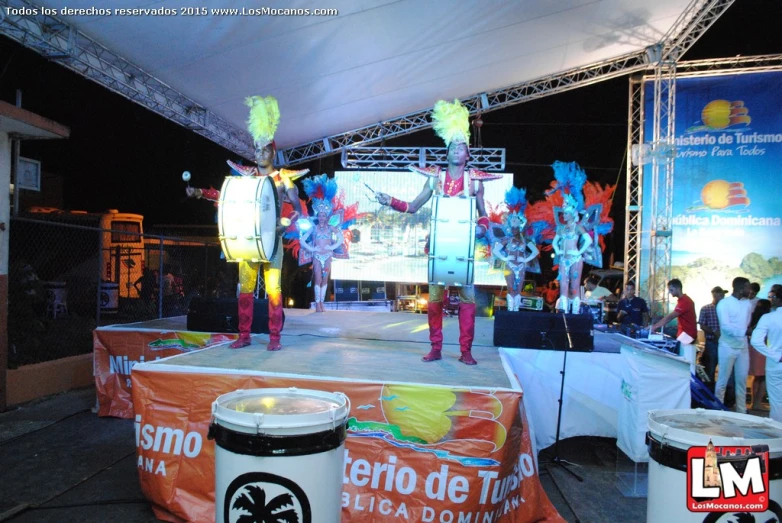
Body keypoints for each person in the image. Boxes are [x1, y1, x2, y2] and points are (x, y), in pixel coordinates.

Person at [376, 99, 502, 365]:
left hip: (464, 250)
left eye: (462, 147)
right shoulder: (434, 178)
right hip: (439, 248)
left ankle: (466, 351)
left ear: (468, 154)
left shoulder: (475, 181)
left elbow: (483, 213)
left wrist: (482, 227)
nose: (457, 150)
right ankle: (436, 347)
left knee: (467, 301)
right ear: (447, 152)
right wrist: (391, 201)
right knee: (434, 301)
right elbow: (412, 206)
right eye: (453, 146)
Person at [187, 95, 307, 350]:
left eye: (265, 149)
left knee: (274, 290)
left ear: (273, 151)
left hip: (273, 241)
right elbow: (229, 197)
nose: (259, 153)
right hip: (249, 239)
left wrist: (285, 223)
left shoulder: (283, 179)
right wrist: (201, 193)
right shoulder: (247, 176)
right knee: (245, 290)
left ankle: (274, 337)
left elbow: (298, 210)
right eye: (256, 149)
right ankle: (244, 335)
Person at [298, 174, 347, 313]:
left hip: (328, 255)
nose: (321, 217)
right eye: (319, 215)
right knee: (318, 278)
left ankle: (322, 303)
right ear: (318, 216)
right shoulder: (313, 228)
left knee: (325, 279)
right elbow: (302, 239)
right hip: (317, 256)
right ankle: (317, 303)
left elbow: (341, 239)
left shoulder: (332, 227)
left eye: (324, 215)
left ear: (327, 216)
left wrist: (330, 247)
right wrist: (311, 248)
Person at [491, 187, 539, 312]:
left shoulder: (525, 240)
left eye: (516, 222)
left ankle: (516, 309)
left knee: (518, 289)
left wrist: (526, 259)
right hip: (510, 265)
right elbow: (496, 250)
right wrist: (505, 257)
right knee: (510, 287)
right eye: (512, 222)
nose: (514, 225)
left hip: (521, 266)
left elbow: (535, 251)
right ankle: (510, 308)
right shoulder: (507, 239)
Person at [714, 276, 752, 413]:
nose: (750, 290)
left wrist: (744, 333)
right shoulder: (723, 304)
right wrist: (745, 331)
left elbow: (746, 322)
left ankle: (742, 412)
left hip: (743, 346)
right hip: (727, 346)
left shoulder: (748, 304)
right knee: (722, 381)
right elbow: (725, 327)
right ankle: (718, 411)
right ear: (740, 289)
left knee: (742, 381)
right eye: (748, 287)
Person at [552, 193, 592, 314]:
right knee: (563, 285)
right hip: (564, 259)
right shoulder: (561, 229)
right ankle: (563, 311)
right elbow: (555, 242)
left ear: (572, 214)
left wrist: (579, 252)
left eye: (565, 213)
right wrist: (558, 250)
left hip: (575, 259)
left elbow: (588, 240)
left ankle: (575, 311)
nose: (563, 215)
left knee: (574, 286)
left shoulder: (578, 227)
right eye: (563, 213)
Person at [650, 278, 698, 372]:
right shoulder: (682, 300)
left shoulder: (685, 301)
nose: (670, 292)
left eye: (671, 290)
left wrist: (654, 327)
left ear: (678, 288)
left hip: (687, 335)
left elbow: (670, 317)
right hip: (684, 334)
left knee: (681, 361)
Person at [750, 291, 782, 422]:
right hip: (775, 362)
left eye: (772, 297)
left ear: (778, 299)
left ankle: (779, 436)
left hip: (776, 364)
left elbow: (755, 340)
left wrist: (775, 356)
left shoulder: (769, 318)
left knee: (777, 402)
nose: (771, 299)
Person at [698, 286, 725, 391]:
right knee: (711, 368)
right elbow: (702, 325)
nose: (723, 297)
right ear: (714, 295)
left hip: (725, 342)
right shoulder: (706, 308)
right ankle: (710, 392)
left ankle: (723, 393)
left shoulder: (725, 309)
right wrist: (714, 332)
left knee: (724, 369)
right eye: (721, 295)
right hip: (712, 342)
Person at [748, 298, 772, 410]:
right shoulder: (767, 319)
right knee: (764, 377)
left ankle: (754, 402)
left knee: (757, 377)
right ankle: (757, 402)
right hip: (764, 349)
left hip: (754, 349)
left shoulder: (753, 318)